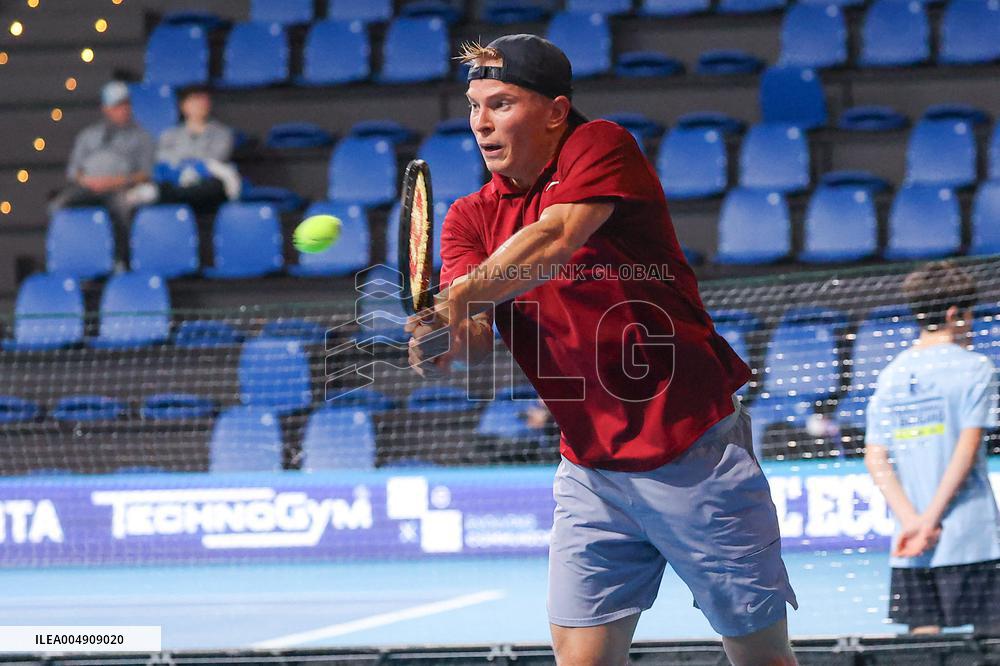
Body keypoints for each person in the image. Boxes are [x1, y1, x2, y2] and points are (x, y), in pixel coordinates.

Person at [405, 35, 798, 665]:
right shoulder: (468, 219)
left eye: (501, 103)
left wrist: (455, 302)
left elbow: (555, 237)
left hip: (688, 447)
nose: (481, 123)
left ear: (555, 112)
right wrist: (440, 335)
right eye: (475, 106)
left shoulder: (601, 146)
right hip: (590, 466)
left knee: (760, 656)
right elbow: (474, 332)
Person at [864, 260, 1000, 635]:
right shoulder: (977, 368)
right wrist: (932, 521)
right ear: (956, 314)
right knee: (992, 641)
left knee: (922, 644)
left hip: (910, 543)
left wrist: (912, 522)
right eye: (970, 315)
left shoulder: (890, 375)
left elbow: (875, 456)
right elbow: (967, 448)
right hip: (972, 536)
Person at [50, 80, 155, 262]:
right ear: (106, 109)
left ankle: (123, 261)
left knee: (123, 208)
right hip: (89, 187)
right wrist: (89, 182)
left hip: (121, 189)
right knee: (58, 205)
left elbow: (145, 173)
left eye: (125, 104)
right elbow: (75, 171)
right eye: (117, 106)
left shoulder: (142, 137)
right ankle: (68, 259)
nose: (122, 110)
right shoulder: (88, 135)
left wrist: (114, 182)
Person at [127, 85, 240, 213]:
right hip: (177, 179)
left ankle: (160, 194)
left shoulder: (223, 133)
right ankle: (167, 193)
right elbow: (163, 157)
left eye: (204, 100)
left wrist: (190, 164)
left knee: (212, 186)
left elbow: (214, 159)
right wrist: (184, 167)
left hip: (206, 182)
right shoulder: (170, 134)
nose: (201, 104)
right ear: (183, 105)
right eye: (195, 100)